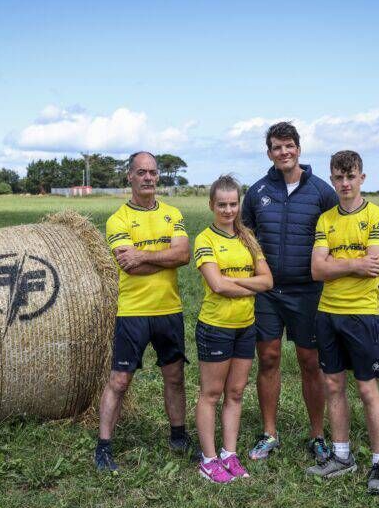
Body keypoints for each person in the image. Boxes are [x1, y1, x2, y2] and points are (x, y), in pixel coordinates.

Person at [241, 122, 339, 461]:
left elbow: (336, 235)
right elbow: (245, 239)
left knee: (310, 362)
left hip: (308, 292)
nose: (283, 152)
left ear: (298, 148)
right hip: (267, 293)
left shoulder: (322, 192)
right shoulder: (256, 192)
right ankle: (269, 433)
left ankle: (317, 435)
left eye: (289, 146)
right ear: (269, 153)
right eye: (276, 147)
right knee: (267, 359)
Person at [95, 151, 193, 471]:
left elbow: (183, 255)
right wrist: (162, 255)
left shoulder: (172, 213)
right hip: (133, 311)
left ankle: (178, 436)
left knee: (174, 377)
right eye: (142, 172)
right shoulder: (118, 219)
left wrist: (143, 255)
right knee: (120, 381)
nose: (148, 177)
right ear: (130, 177)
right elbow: (129, 266)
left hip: (169, 308)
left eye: (152, 172)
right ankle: (104, 447)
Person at [306, 150, 379, 494]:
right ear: (332, 180)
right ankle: (341, 456)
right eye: (339, 178)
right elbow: (316, 270)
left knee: (368, 389)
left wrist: (337, 263)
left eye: (351, 177)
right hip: (328, 313)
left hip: (362, 314)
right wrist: (353, 265)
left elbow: (375, 263)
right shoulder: (326, 219)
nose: (345, 183)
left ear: (362, 178)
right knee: (332, 386)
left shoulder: (377, 216)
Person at [193, 175, 274, 483]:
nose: (228, 210)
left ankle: (229, 453)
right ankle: (209, 459)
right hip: (216, 326)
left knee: (236, 392)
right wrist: (247, 285)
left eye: (233, 204)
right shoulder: (205, 239)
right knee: (212, 393)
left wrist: (234, 283)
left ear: (239, 204)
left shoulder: (247, 238)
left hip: (245, 326)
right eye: (222, 204)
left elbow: (267, 281)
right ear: (211, 205)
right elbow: (215, 285)